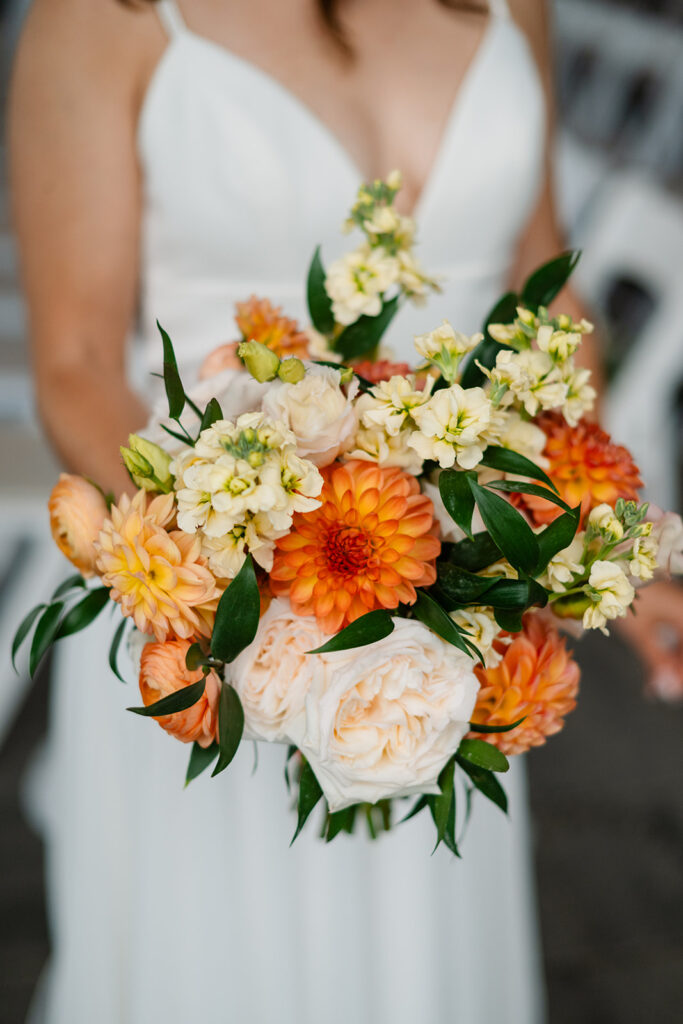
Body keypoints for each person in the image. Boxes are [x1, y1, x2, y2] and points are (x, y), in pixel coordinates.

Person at [8, 1, 682, 1021]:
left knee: (419, 960)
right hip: (215, 607)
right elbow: (73, 364)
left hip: (449, 619)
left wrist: (591, 541)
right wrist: (254, 578)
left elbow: (538, 295)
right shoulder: (105, 16)